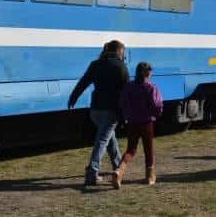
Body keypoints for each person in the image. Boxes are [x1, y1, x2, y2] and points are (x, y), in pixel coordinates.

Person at [68, 40, 130, 186]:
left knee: (109, 138)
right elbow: (127, 93)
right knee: (102, 140)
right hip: (111, 109)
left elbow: (83, 83)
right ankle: (92, 173)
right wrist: (127, 113)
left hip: (95, 109)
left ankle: (119, 167)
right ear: (119, 51)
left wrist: (73, 97)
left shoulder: (96, 64)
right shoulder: (121, 67)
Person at [112, 62, 163, 188]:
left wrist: (126, 117)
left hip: (132, 122)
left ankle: (119, 171)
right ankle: (150, 177)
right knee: (148, 149)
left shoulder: (129, 86)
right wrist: (156, 114)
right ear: (147, 73)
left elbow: (122, 103)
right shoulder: (151, 87)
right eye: (150, 72)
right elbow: (157, 105)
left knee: (130, 149)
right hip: (146, 122)